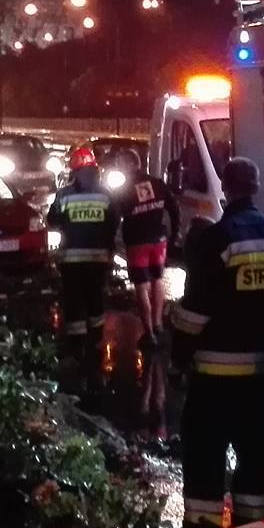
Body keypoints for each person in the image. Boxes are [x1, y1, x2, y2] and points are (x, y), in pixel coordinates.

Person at [170, 156, 264, 528]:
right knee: (255, 448)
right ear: (255, 188)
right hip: (263, 368)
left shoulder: (217, 238)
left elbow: (195, 312)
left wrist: (178, 360)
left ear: (225, 186)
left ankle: (202, 527)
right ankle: (252, 526)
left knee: (206, 446)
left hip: (215, 371)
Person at [109, 146, 180, 438]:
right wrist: (173, 235)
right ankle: (159, 323)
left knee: (141, 285)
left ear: (126, 166)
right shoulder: (158, 184)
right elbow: (173, 209)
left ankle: (149, 331)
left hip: (137, 242)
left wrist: (113, 242)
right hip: (158, 240)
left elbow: (115, 219)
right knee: (158, 280)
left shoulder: (124, 191)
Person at [47, 144, 119, 352]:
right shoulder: (106, 194)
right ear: (95, 169)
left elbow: (52, 220)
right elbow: (114, 222)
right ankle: (96, 338)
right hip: (98, 258)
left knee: (74, 298)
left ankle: (76, 344)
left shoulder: (64, 195)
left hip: (71, 259)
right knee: (95, 296)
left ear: (74, 171)